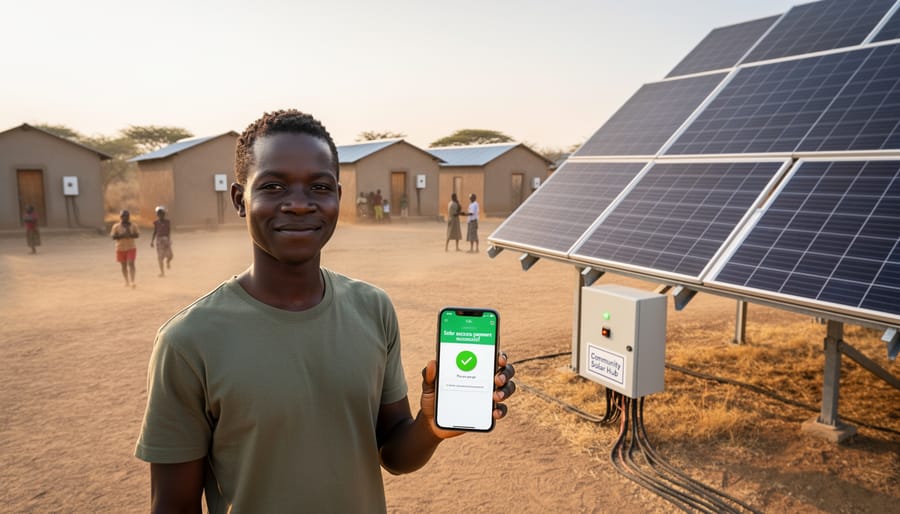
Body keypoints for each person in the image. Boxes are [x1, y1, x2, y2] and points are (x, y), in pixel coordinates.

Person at [134, 109, 515, 513]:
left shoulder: (373, 309)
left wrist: (431, 426)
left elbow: (394, 454)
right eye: (274, 186)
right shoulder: (188, 340)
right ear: (239, 200)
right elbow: (173, 506)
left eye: (318, 187)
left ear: (337, 197)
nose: (299, 205)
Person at [111, 209, 139, 288]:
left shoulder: (133, 225)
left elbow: (137, 235)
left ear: (129, 217)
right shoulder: (116, 226)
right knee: (123, 266)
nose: (125, 218)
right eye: (123, 216)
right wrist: (122, 236)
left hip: (131, 247)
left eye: (127, 216)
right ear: (120, 217)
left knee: (131, 263)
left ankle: (132, 281)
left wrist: (130, 235)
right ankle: (126, 281)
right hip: (120, 248)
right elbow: (113, 237)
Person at [149, 206, 174, 277]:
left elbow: (169, 231)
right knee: (160, 257)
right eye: (159, 214)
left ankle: (168, 262)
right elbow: (155, 231)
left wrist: (169, 239)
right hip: (159, 241)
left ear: (164, 214)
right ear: (157, 215)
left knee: (170, 255)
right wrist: (152, 241)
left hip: (166, 239)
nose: (160, 215)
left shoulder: (168, 222)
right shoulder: (156, 222)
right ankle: (162, 272)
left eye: (162, 213)